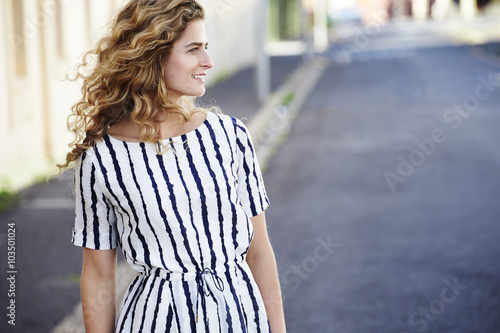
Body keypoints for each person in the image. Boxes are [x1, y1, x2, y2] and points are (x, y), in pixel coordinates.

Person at [58, 0, 287, 332]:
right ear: (153, 56)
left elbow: (259, 251)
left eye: (206, 48)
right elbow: (98, 275)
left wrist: (277, 329)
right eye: (194, 50)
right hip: (153, 321)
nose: (208, 62)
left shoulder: (230, 136)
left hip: (239, 318)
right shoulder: (101, 160)